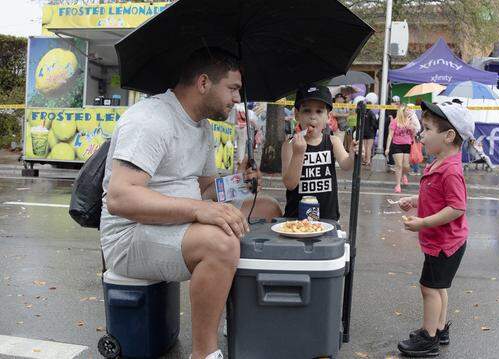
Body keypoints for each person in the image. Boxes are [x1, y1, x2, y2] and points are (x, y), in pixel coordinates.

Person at [100, 47, 282, 359]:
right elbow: (120, 197)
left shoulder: (201, 125)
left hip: (176, 224)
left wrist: (240, 181)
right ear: (203, 83)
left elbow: (205, 188)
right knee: (219, 243)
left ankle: (237, 313)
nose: (237, 99)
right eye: (233, 88)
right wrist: (199, 209)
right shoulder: (150, 120)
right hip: (130, 237)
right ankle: (204, 353)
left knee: (267, 208)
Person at [395, 101, 474, 357]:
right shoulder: (438, 163)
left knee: (429, 288)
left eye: (427, 129)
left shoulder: (450, 170)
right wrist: (415, 201)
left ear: (449, 136)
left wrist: (424, 222)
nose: (422, 134)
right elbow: (434, 197)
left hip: (445, 242)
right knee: (439, 287)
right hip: (443, 241)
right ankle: (439, 328)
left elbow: (457, 207)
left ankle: (428, 338)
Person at [281, 84, 358, 221]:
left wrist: (353, 154)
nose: (313, 117)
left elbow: (347, 165)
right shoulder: (290, 144)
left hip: (328, 218)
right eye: (307, 111)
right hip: (295, 219)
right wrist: (299, 153)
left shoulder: (333, 141)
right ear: (297, 114)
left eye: (319, 111)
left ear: (328, 116)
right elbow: (290, 184)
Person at [385, 103, 416, 193]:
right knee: (398, 165)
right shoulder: (395, 121)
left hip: (407, 144)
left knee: (406, 165)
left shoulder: (410, 120)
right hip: (397, 145)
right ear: (402, 112)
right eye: (407, 110)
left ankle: (404, 175)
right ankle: (398, 185)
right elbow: (390, 135)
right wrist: (387, 148)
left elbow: (414, 134)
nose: (408, 111)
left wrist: (411, 127)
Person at [360, 92, 379, 167]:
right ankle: (368, 161)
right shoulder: (371, 113)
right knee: (369, 147)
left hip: (364, 131)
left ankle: (364, 160)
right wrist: (375, 128)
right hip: (370, 132)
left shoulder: (363, 112)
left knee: (364, 147)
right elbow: (374, 124)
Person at [384, 96, 401, 169]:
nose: (396, 104)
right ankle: (390, 161)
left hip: (395, 131)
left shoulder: (399, 110)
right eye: (395, 102)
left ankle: (392, 161)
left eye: (397, 102)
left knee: (394, 146)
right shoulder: (388, 109)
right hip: (388, 130)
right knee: (388, 145)